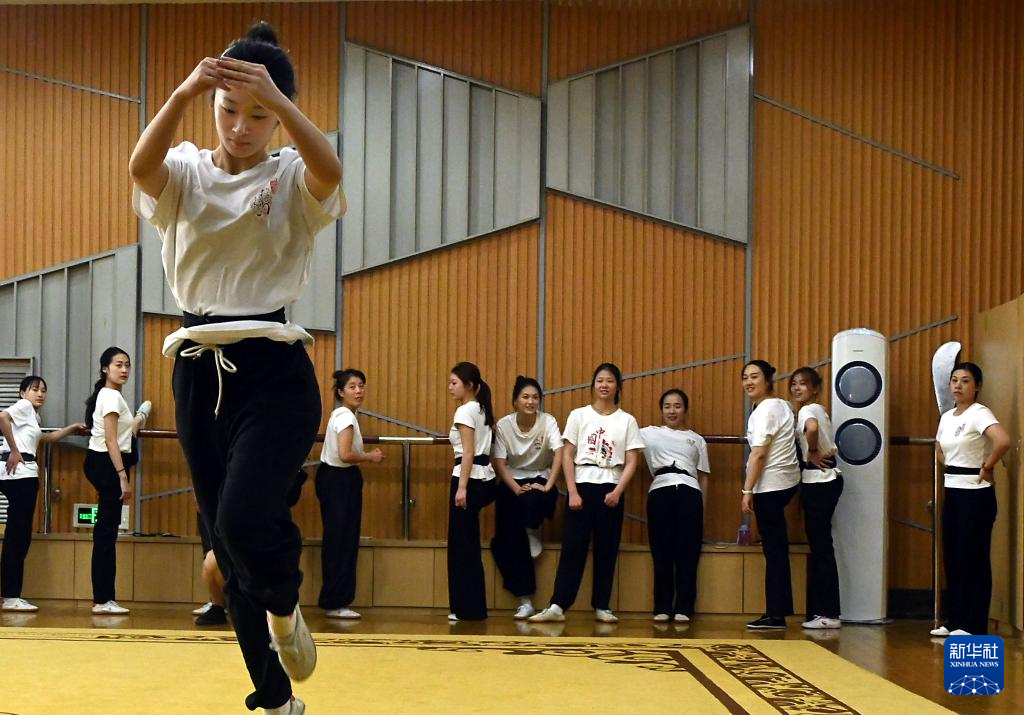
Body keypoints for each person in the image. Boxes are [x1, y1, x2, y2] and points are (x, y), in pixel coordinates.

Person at [129, 20, 344, 715]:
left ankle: (284, 604)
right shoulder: (186, 170)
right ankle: (277, 700)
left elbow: (331, 172)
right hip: (197, 370)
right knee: (223, 545)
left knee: (244, 516)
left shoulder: (289, 174)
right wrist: (184, 91)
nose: (241, 127)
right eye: (229, 110)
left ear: (277, 118)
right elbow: (140, 169)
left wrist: (279, 99)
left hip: (274, 370)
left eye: (258, 115)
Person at [530, 363, 644, 624]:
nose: (604, 385)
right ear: (593, 384)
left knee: (607, 549)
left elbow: (632, 461)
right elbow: (567, 455)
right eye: (600, 380)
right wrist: (572, 491)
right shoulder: (578, 415)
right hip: (581, 485)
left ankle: (602, 605)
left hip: (611, 486)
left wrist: (618, 491)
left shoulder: (627, 420)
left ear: (618, 386)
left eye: (610, 381)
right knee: (573, 548)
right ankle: (558, 605)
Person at [931, 362, 1010, 637]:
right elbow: (939, 447)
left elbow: (1002, 441)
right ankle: (954, 620)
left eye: (965, 381)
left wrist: (987, 466)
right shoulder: (947, 417)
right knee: (953, 556)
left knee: (972, 557)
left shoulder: (979, 413)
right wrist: (950, 464)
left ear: (977, 387)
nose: (958, 385)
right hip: (953, 490)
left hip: (976, 494)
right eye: (954, 380)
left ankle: (972, 624)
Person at [0, 377, 84, 612]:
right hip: (21, 474)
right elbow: (2, 417)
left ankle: (9, 594)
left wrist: (70, 428)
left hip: (15, 474)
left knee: (16, 536)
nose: (40, 394)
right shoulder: (24, 407)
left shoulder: (32, 417)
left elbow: (45, 439)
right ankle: (11, 596)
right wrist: (14, 450)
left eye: (43, 390)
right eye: (34, 389)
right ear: (22, 393)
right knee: (18, 537)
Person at [83, 348, 150, 616]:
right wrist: (122, 476)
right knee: (105, 535)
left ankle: (104, 598)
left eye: (127, 365)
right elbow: (111, 440)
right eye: (118, 365)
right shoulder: (110, 396)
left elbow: (123, 434)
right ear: (105, 369)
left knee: (106, 533)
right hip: (106, 464)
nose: (124, 370)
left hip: (103, 462)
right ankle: (102, 599)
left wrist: (140, 417)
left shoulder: (110, 395)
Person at [491, 376, 563, 619]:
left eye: (535, 397)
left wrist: (547, 485)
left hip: (541, 478)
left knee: (535, 499)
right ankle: (525, 600)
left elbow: (559, 452)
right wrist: (516, 488)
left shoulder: (548, 421)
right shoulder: (504, 425)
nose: (530, 401)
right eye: (525, 397)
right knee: (504, 541)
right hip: (513, 482)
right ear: (515, 401)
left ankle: (532, 528)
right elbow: (500, 462)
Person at [317, 369, 384, 620]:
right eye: (352, 386)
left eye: (361, 386)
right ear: (341, 392)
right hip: (340, 480)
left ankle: (335, 599)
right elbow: (345, 455)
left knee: (338, 539)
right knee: (341, 540)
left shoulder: (342, 414)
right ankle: (337, 601)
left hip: (334, 479)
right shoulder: (345, 417)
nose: (358, 391)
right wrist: (370, 456)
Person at [639, 388, 709, 624]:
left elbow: (704, 476)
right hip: (660, 490)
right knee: (661, 550)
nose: (672, 411)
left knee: (688, 552)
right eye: (667, 406)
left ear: (685, 409)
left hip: (690, 491)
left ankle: (684, 607)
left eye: (677, 406)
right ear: (661, 410)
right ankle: (662, 606)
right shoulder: (648, 433)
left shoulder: (697, 439)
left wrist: (702, 507)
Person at [739, 359, 800, 630]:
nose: (749, 382)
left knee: (774, 551)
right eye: (745, 377)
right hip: (784, 483)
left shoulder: (765, 410)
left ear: (768, 380)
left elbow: (759, 454)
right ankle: (777, 611)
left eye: (755, 376)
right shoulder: (781, 405)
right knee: (777, 549)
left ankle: (776, 614)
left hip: (771, 485)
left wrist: (747, 490)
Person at [789, 367, 843, 630]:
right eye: (794, 384)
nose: (797, 388)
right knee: (822, 546)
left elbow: (811, 429)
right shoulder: (819, 409)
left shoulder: (808, 411)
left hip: (819, 480)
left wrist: (811, 451)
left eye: (803, 384)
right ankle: (825, 610)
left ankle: (827, 612)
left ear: (815, 388)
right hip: (825, 479)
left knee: (821, 548)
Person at [446, 362, 497, 621]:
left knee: (461, 546)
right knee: (469, 545)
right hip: (484, 476)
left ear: (468, 385)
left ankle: (465, 607)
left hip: (467, 477)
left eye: (454, 382)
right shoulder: (482, 408)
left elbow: (468, 452)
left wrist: (462, 487)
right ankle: (473, 607)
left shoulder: (465, 411)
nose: (450, 387)